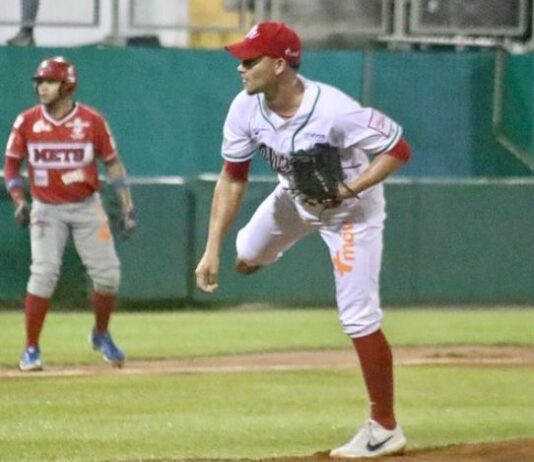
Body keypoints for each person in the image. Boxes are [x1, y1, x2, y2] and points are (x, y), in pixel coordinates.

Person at [195, 22, 412, 458]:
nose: (240, 67)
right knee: (245, 253)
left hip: (350, 215)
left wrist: (349, 189)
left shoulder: (333, 109)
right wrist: (211, 248)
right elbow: (232, 178)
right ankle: (257, 253)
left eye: (250, 60)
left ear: (279, 65)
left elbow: (398, 148)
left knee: (358, 318)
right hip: (294, 199)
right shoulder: (244, 108)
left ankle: (385, 428)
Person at [3, 56, 137, 372]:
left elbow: (113, 163)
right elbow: (11, 165)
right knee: (43, 273)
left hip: (87, 206)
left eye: (49, 81)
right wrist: (19, 199)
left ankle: (101, 334)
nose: (42, 87)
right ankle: (31, 347)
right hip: (46, 208)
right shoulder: (26, 121)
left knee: (108, 276)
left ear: (67, 85)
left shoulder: (92, 121)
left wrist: (127, 205)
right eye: (40, 82)